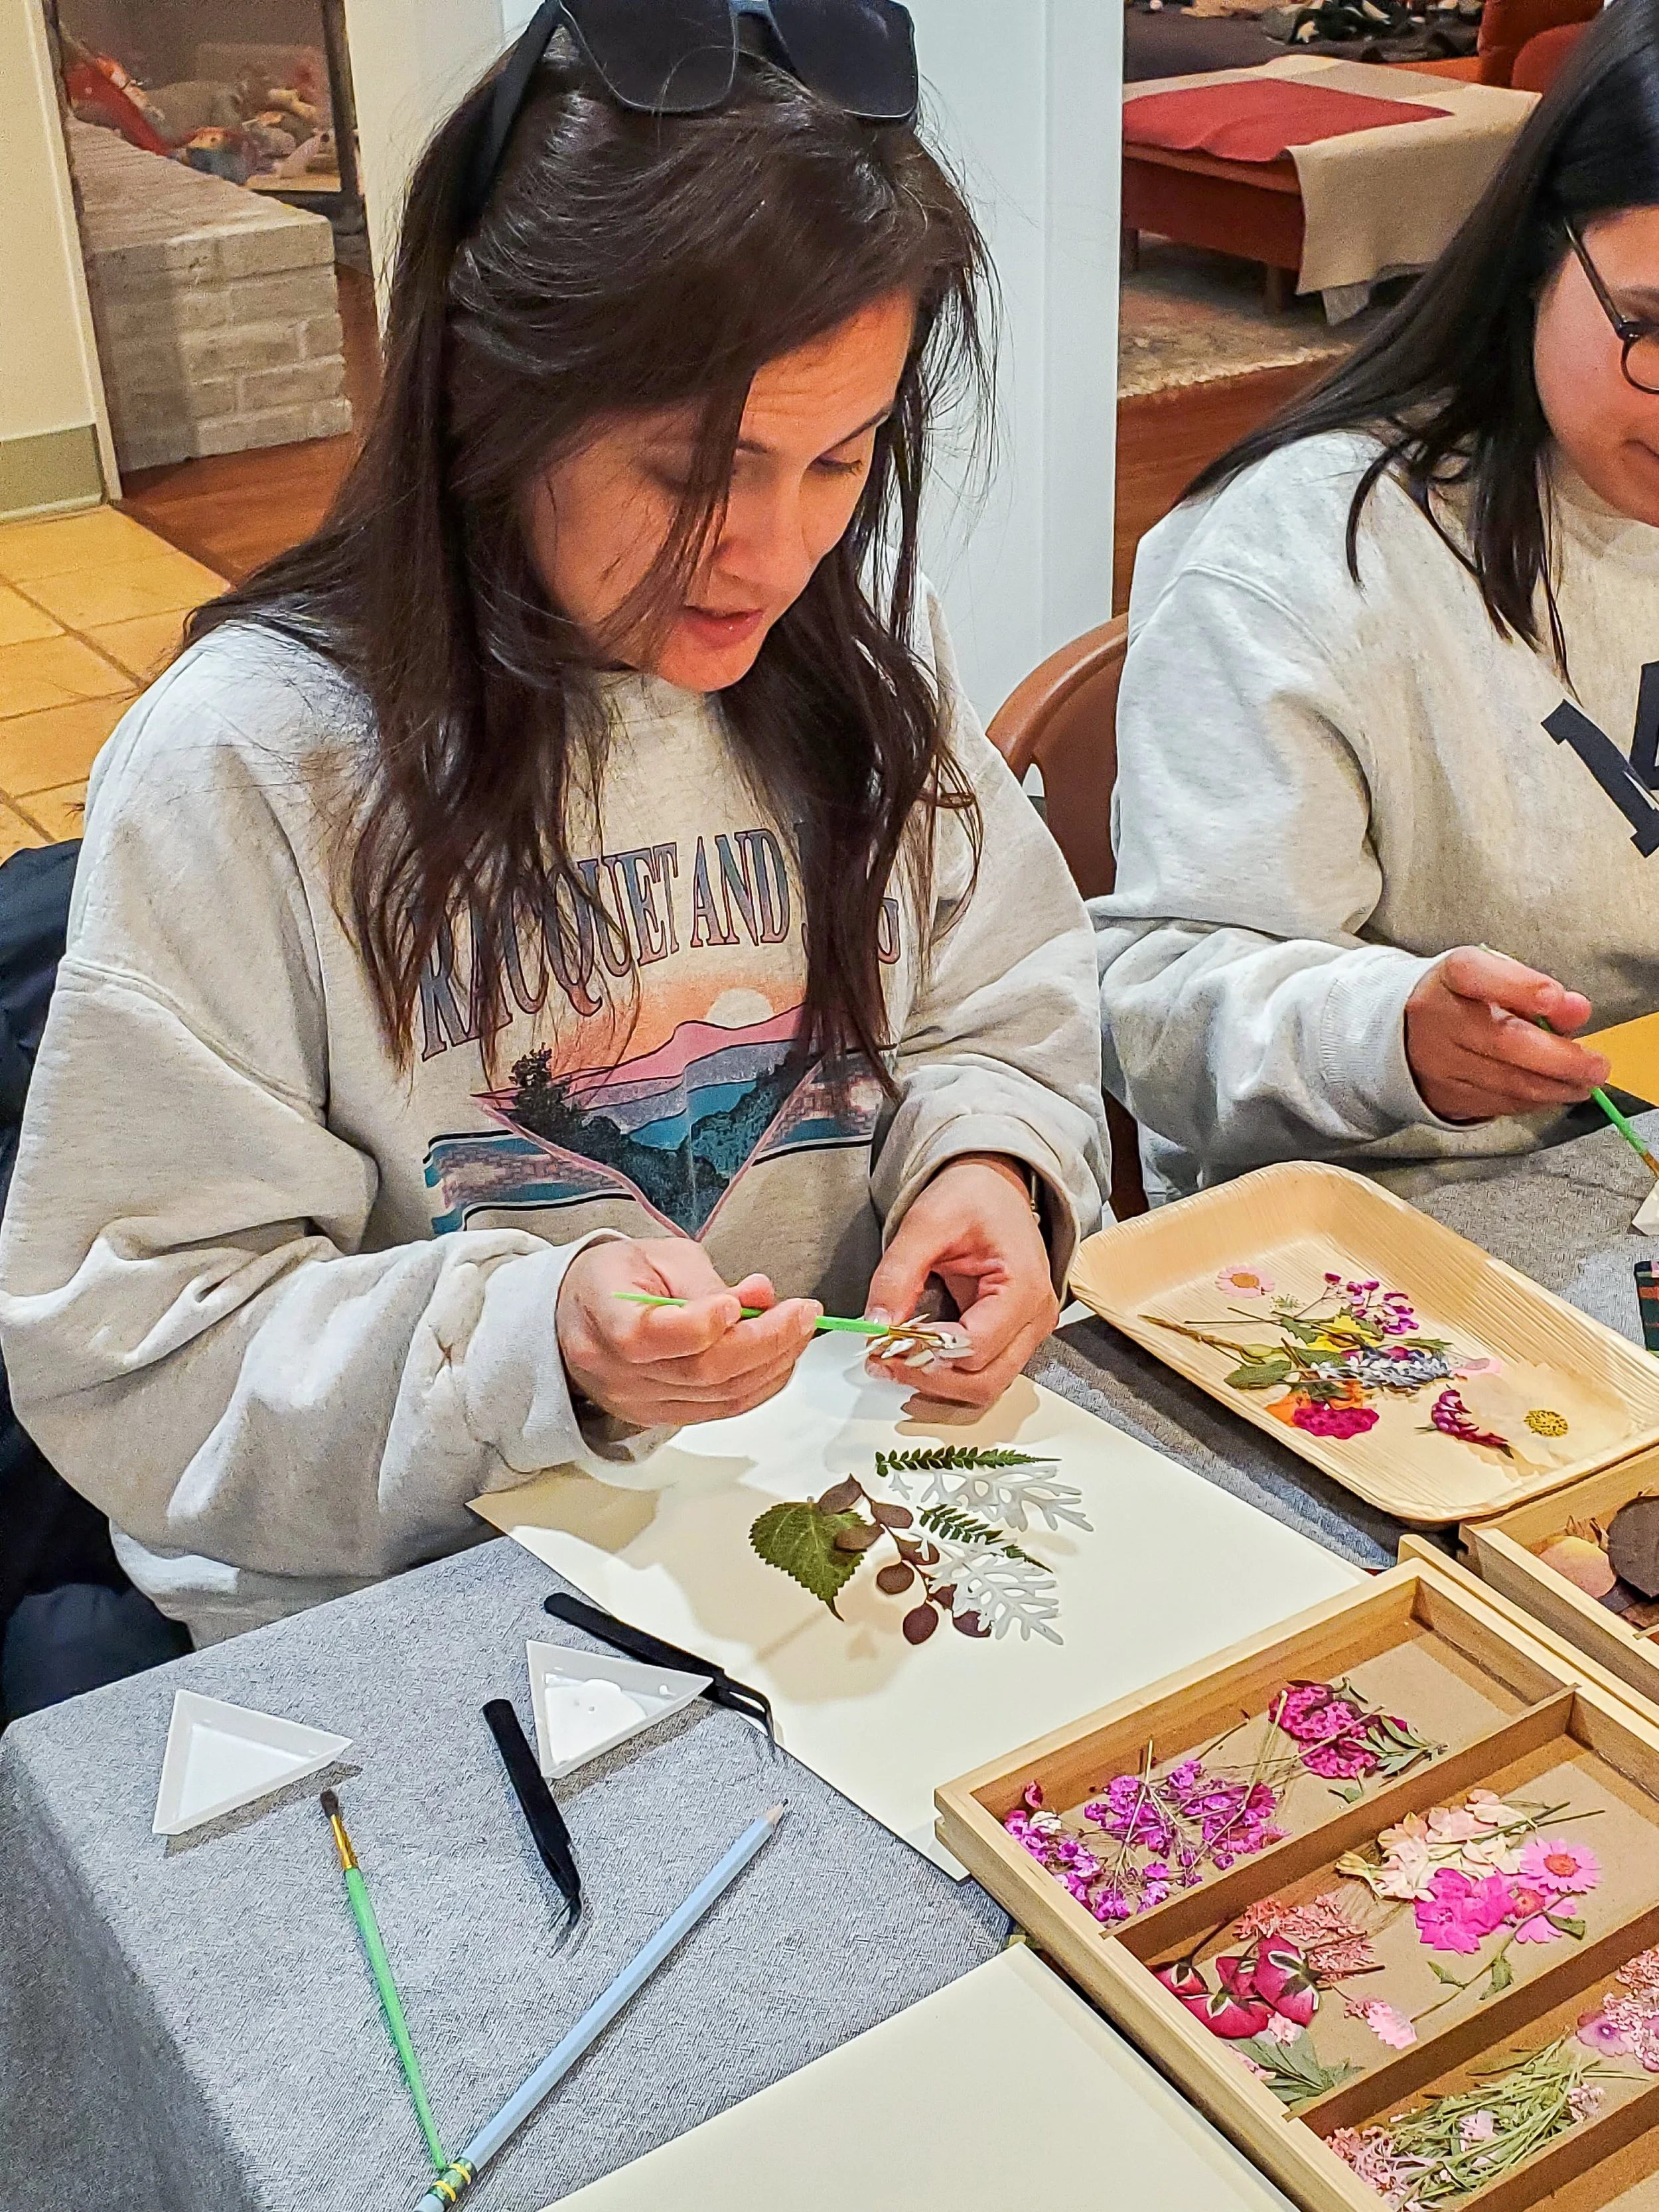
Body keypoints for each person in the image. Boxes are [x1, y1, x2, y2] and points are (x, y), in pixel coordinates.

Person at [0, 1, 1107, 1646]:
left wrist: (987, 1164)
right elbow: (139, 1353)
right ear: (493, 396)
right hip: (423, 1600)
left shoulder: (863, 648)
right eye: (687, 471)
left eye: (843, 458)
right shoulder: (256, 757)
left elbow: (996, 1004)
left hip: (832, 1528)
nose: (772, 551)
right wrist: (545, 1346)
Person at [1096, 0, 1659, 1199]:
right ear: (1536, 254)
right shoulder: (1302, 557)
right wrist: (1391, 1034)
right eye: (1654, 330)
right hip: (1392, 1231)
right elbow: (1155, 1008)